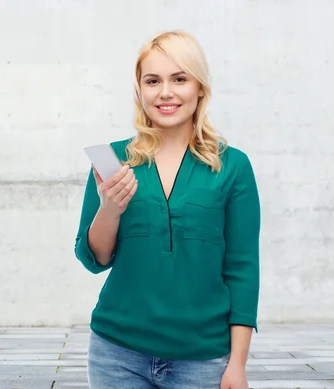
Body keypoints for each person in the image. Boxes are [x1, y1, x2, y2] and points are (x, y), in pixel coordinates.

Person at [74, 30, 261, 389]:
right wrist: (110, 209)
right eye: (152, 81)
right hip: (117, 353)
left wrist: (237, 364)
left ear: (200, 88)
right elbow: (93, 258)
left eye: (179, 79)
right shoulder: (114, 160)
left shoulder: (233, 166)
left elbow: (242, 269)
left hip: (203, 359)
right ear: (139, 89)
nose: (165, 93)